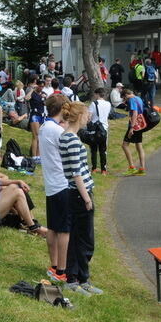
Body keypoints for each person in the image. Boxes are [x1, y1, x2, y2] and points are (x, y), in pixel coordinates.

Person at [57, 101, 102, 295]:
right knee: (83, 240)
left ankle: (81, 278)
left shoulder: (66, 136)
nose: (88, 118)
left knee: (79, 238)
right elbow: (76, 172)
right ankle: (75, 279)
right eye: (86, 115)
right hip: (78, 193)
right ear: (79, 117)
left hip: (73, 191)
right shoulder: (72, 140)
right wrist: (87, 199)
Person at [38, 93, 71, 282]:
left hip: (51, 184)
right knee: (64, 230)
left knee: (53, 227)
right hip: (62, 183)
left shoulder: (44, 127)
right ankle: (62, 270)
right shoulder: (57, 131)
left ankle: (54, 265)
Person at [122, 89, 146, 176]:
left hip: (134, 124)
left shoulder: (131, 99)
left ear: (126, 95)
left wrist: (131, 127)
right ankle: (142, 168)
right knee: (139, 145)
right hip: (140, 124)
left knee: (125, 145)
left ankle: (131, 167)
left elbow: (135, 113)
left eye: (124, 98)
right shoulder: (138, 98)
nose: (125, 100)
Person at [87, 88, 110, 174]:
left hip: (95, 129)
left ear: (97, 94)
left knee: (93, 149)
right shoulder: (108, 104)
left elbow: (89, 117)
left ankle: (94, 168)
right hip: (104, 128)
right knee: (103, 149)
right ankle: (103, 169)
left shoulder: (94, 104)